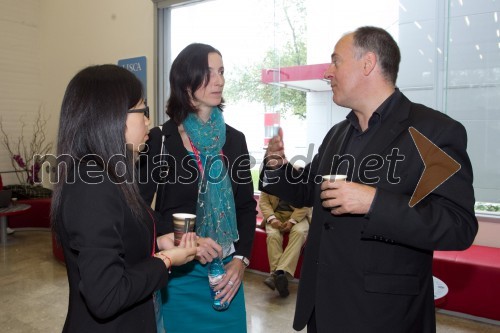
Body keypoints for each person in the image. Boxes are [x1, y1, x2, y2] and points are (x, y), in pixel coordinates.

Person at [260, 26, 478, 333]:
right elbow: (309, 189)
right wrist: (276, 167)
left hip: (384, 317)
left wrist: (374, 202)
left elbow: (458, 225)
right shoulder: (337, 133)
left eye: (336, 62)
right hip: (322, 309)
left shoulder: (434, 131)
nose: (327, 72)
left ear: (368, 64)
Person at [51, 64, 198, 333]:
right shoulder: (91, 183)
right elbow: (106, 296)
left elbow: (125, 229)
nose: (147, 121)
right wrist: (166, 259)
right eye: (142, 110)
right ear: (112, 116)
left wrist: (159, 239)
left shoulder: (111, 173)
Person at [138, 43, 256, 333]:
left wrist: (240, 261)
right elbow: (136, 208)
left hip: (226, 273)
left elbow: (245, 206)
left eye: (222, 72)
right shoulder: (159, 140)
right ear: (186, 81)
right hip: (179, 276)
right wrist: (186, 238)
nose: (220, 80)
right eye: (208, 73)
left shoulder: (235, 140)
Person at [258, 191, 310, 297]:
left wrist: (292, 221)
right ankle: (280, 276)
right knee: (273, 236)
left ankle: (276, 275)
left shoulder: (304, 177)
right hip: (275, 215)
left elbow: (306, 203)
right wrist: (272, 219)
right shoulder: (270, 176)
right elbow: (264, 201)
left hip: (299, 215)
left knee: (299, 233)